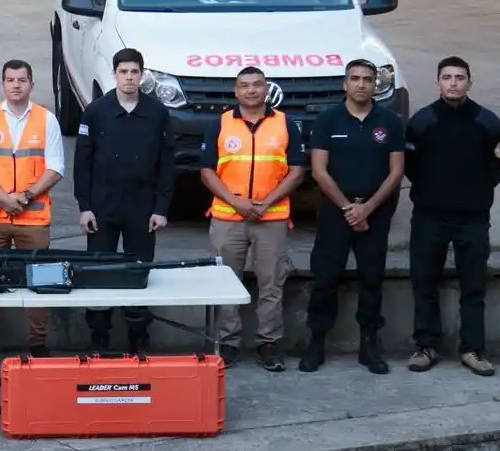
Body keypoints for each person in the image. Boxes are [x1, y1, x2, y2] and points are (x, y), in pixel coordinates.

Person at [300, 59, 406, 374]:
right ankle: (315, 343)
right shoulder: (328, 119)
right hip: (336, 213)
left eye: (368, 79)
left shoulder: (390, 121)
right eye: (355, 78)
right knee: (326, 278)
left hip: (376, 213)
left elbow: (396, 172)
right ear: (345, 84)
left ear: (376, 85)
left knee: (371, 280)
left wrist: (367, 208)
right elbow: (319, 170)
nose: (361, 84)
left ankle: (369, 346)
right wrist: (349, 208)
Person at [199, 66, 307, 371]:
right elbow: (207, 170)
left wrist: (265, 202)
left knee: (272, 283)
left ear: (266, 89)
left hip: (271, 217)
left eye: (257, 85)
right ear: (236, 91)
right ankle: (227, 343)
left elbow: (297, 170)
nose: (251, 90)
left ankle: (268, 343)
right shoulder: (220, 124)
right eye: (244, 85)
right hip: (227, 216)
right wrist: (236, 202)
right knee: (225, 282)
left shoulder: (285, 124)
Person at [405, 56, 500, 376]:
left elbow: (497, 161)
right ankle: (426, 346)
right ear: (438, 82)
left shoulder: (488, 122)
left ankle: (473, 350)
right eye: (447, 77)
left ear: (469, 82)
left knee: (473, 287)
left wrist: (482, 186)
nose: (454, 83)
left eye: (460, 77)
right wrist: (431, 188)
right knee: (424, 283)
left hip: (473, 219)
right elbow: (408, 164)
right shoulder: (422, 121)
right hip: (429, 217)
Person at [75, 49, 175, 353]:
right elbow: (83, 162)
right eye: (123, 72)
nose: (129, 77)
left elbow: (167, 164)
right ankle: (99, 335)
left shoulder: (158, 113)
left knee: (139, 271)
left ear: (142, 75)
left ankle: (138, 335)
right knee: (98, 272)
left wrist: (161, 208)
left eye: (134, 72)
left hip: (142, 209)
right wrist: (85, 207)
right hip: (102, 207)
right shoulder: (96, 111)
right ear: (115, 74)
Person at [0, 59, 65, 367]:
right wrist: (2, 197)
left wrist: (23, 196)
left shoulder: (46, 120)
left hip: (32, 218)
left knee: (39, 283)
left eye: (21, 80)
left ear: (31, 85)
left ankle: (37, 344)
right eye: (10, 79)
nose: (15, 85)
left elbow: (56, 167)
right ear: (3, 84)